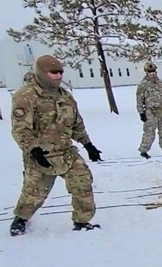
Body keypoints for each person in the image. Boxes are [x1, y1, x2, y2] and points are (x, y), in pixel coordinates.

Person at [8, 55, 103, 236]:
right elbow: (20, 128)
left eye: (60, 72)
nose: (58, 76)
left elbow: (76, 124)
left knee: (82, 183)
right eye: (54, 72)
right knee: (35, 193)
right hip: (41, 155)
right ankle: (21, 219)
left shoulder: (65, 97)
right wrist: (33, 150)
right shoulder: (26, 96)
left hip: (66, 152)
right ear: (42, 73)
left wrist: (88, 144)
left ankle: (82, 221)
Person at [137, 61, 162, 159]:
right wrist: (141, 113)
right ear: (146, 72)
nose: (152, 73)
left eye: (154, 71)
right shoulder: (143, 85)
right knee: (149, 132)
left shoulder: (161, 83)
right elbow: (139, 100)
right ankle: (144, 151)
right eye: (150, 71)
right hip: (150, 112)